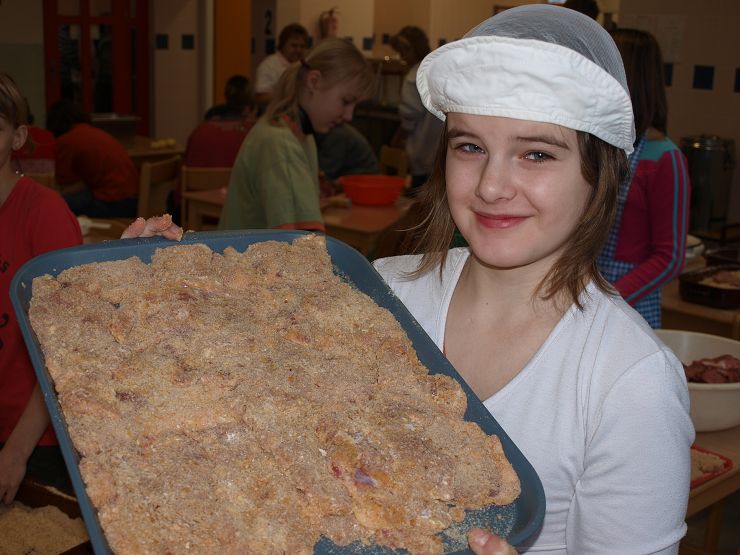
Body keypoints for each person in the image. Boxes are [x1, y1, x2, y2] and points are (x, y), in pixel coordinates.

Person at [122, 6, 694, 553]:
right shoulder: (381, 294)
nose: (491, 185)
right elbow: (238, 399)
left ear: (600, 173)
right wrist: (145, 299)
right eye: (470, 146)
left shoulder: (628, 382)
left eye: (537, 155)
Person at [0, 73, 82, 503]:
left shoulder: (44, 213)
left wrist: (16, 452)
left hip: (34, 437)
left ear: (17, 138)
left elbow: (67, 344)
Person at [218, 37, 374, 232]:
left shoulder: (299, 134)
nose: (349, 116)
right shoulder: (280, 143)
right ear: (313, 81)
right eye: (345, 101)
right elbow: (300, 241)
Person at [597, 28, 691, 329]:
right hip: (584, 292)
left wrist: (610, 299)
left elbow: (669, 258)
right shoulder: (598, 147)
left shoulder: (665, 159)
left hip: (627, 306)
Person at [46, 99, 139, 218]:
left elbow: (65, 187)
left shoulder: (66, 141)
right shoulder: (93, 132)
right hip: (132, 200)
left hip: (113, 203)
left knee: (52, 204)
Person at [390, 26, 443, 194]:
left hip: (422, 151)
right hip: (441, 153)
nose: (402, 57)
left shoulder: (413, 78)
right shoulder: (437, 69)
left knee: (419, 199)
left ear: (413, 49)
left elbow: (408, 120)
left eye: (404, 52)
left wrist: (396, 140)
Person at [254, 23, 309, 107]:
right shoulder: (269, 65)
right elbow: (261, 97)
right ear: (283, 45)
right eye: (294, 46)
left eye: (302, 46)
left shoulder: (307, 64)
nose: (298, 50)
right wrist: (289, 97)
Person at [315, 122, 379, 182]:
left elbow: (324, 173)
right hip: (354, 178)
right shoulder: (337, 131)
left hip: (364, 182)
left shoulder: (337, 134)